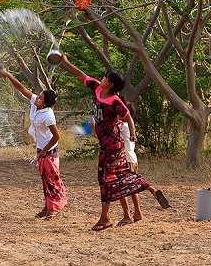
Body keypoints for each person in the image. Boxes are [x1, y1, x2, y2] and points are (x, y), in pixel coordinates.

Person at [58, 54, 170, 231]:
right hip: (107, 145)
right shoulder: (97, 89)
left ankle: (106, 217)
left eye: (105, 77)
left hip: (113, 145)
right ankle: (150, 190)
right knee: (118, 177)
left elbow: (128, 117)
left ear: (110, 84)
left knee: (106, 180)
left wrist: (133, 134)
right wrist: (65, 62)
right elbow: (81, 75)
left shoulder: (115, 100)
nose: (102, 78)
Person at [0, 67, 67, 219]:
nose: (37, 98)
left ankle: (53, 208)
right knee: (45, 179)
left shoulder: (48, 115)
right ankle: (48, 206)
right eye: (38, 96)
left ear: (45, 103)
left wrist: (44, 151)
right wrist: (8, 74)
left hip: (49, 149)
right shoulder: (36, 106)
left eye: (40, 98)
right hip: (42, 147)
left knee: (51, 179)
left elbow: (56, 136)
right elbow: (21, 88)